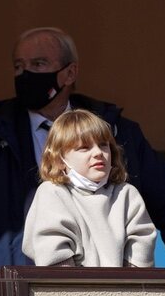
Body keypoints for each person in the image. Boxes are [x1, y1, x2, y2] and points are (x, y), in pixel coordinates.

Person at [0, 27, 165, 269]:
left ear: (70, 73)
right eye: (19, 66)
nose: (25, 74)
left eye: (38, 64)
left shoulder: (118, 134)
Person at [22, 109, 157, 267]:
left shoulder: (126, 194)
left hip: (123, 289)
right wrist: (83, 290)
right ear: (59, 160)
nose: (98, 153)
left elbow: (140, 251)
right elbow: (55, 260)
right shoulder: (52, 193)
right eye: (84, 147)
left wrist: (125, 287)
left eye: (103, 145)